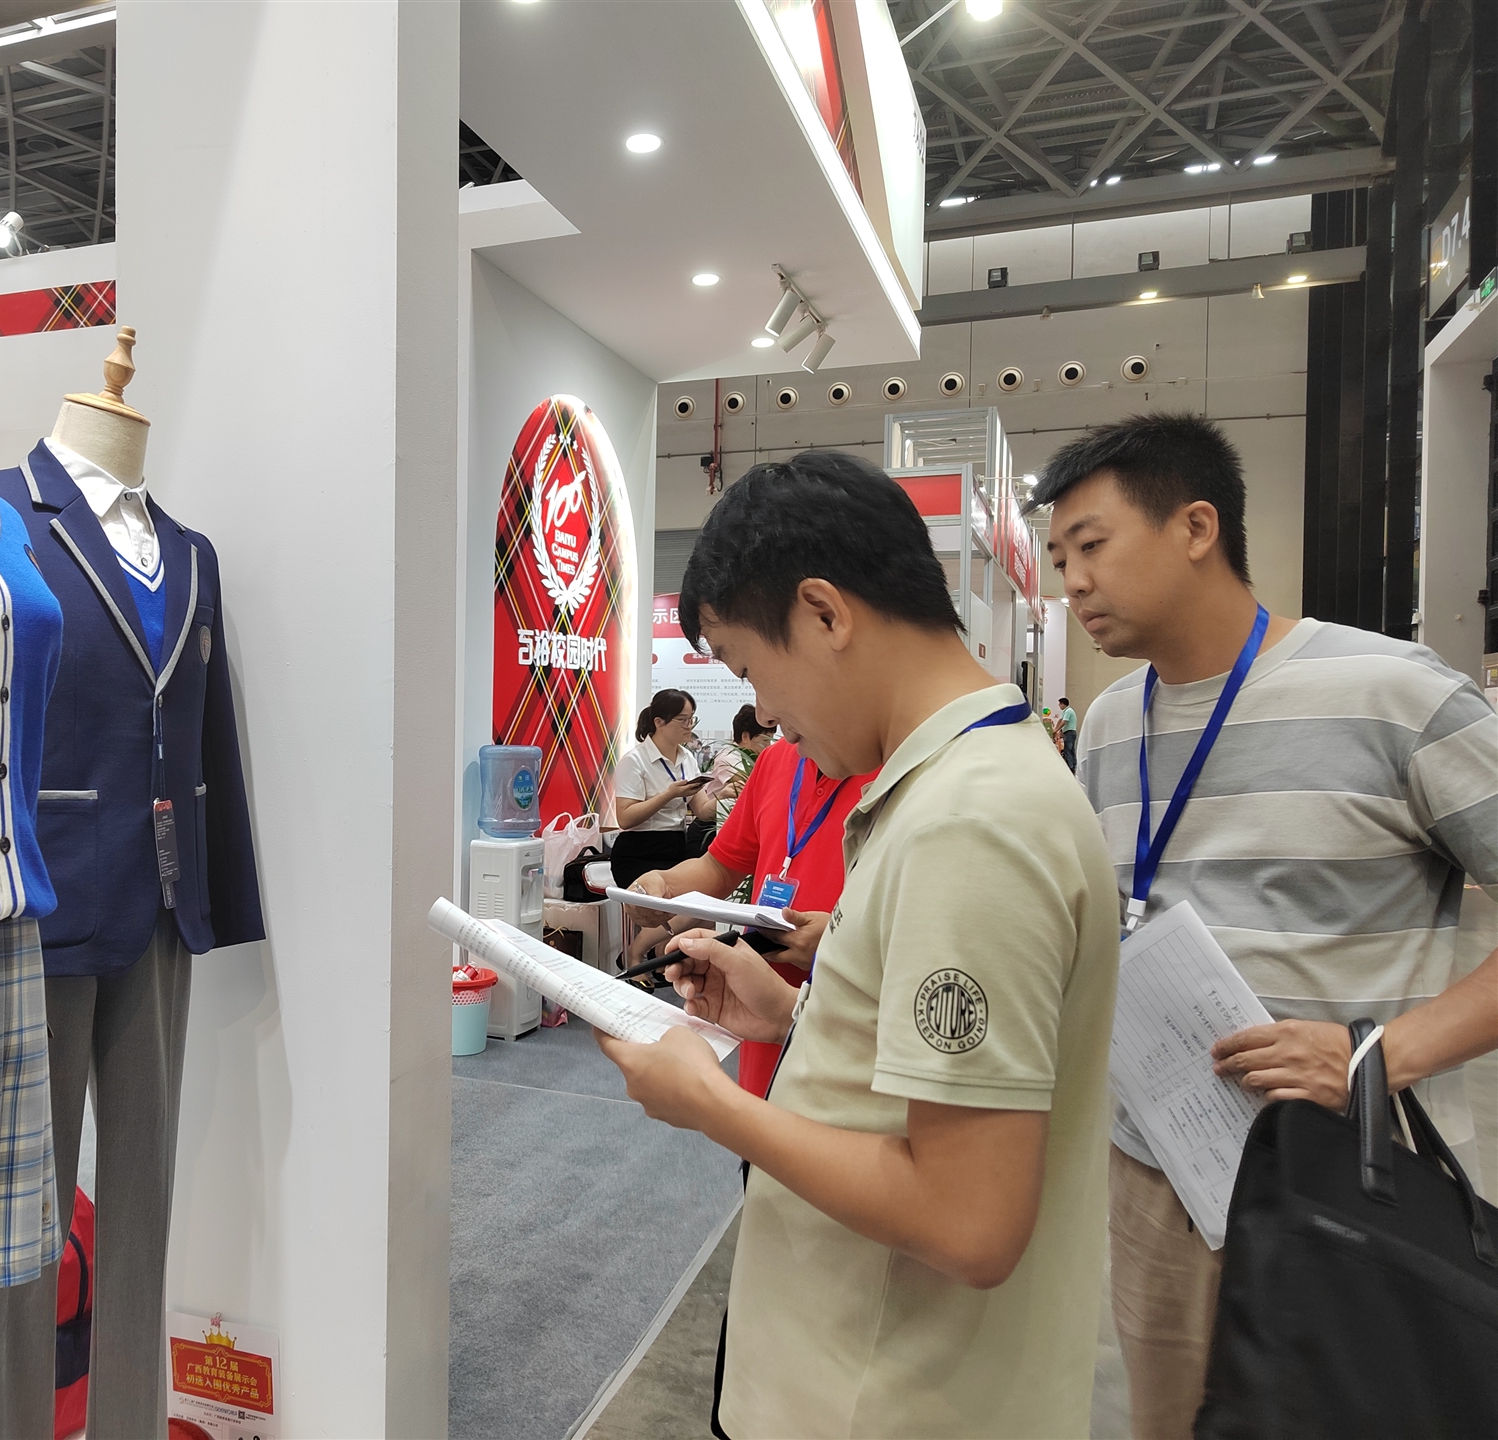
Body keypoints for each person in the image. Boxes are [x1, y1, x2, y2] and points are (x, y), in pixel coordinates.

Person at [596, 449, 1120, 1438]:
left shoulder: (971, 823)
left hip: (882, 1397)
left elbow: (969, 1220)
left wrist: (712, 1104)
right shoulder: (961, 786)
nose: (765, 714)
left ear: (825, 614)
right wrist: (797, 1014)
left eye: (753, 671)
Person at [1035, 412, 1498, 1440]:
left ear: (1197, 527)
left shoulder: (1394, 695)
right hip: (1159, 1173)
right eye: (1060, 558)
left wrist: (1379, 1054)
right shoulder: (1108, 723)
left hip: (1350, 1175)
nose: (1074, 582)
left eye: (1092, 545)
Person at [628, 717, 875, 1098]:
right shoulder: (778, 760)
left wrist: (836, 944)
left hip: (853, 1035)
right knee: (761, 1120)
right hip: (761, 1008)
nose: (764, 716)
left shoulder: (903, 771)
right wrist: (663, 885)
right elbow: (720, 866)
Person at [608, 689, 716, 889]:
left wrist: (724, 796)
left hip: (676, 847)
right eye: (682, 720)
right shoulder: (635, 760)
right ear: (659, 722)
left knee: (688, 903)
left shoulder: (687, 758)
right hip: (639, 851)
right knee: (655, 905)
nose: (689, 726)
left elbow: (703, 811)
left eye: (691, 719)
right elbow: (625, 818)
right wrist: (669, 794)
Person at [1056, 695, 1079, 771]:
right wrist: (1057, 729)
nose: (1059, 706)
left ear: (1063, 704)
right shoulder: (1066, 711)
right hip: (1069, 732)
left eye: (1060, 704)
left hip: (1069, 733)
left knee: (1068, 750)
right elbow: (1060, 720)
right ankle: (1073, 765)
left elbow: (1064, 722)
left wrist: (1056, 730)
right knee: (1071, 750)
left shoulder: (1068, 711)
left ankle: (1071, 767)